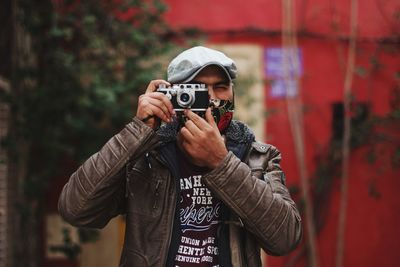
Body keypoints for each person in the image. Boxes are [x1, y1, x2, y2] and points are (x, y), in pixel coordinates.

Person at [58, 46, 302, 267]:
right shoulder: (147, 157)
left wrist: (221, 163)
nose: (212, 98)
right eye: (197, 89)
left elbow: (284, 239)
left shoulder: (257, 157)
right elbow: (76, 209)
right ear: (173, 95)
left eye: (220, 86)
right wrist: (138, 130)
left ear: (233, 93)